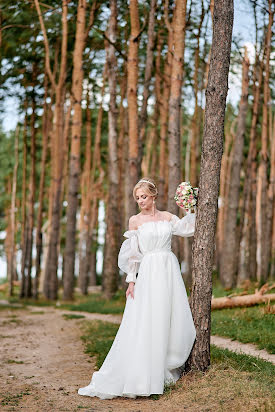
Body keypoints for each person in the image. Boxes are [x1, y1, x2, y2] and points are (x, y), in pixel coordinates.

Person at [78, 177, 196, 400]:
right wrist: (131, 281)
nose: (141, 201)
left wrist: (192, 206)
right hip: (149, 271)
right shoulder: (135, 221)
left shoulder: (168, 217)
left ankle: (166, 364)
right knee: (148, 318)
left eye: (144, 196)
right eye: (138, 198)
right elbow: (133, 255)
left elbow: (188, 228)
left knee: (168, 315)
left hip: (169, 269)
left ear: (153, 196)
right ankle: (144, 374)